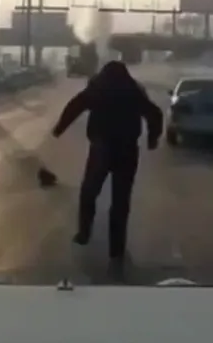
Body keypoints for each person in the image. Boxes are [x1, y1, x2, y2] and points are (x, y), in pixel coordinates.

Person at [52, 61, 163, 272]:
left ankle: (84, 233)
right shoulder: (133, 90)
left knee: (89, 192)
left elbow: (75, 106)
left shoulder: (98, 88)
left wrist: (60, 128)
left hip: (102, 148)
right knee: (120, 203)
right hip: (128, 150)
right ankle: (116, 250)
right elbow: (154, 113)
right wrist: (152, 138)